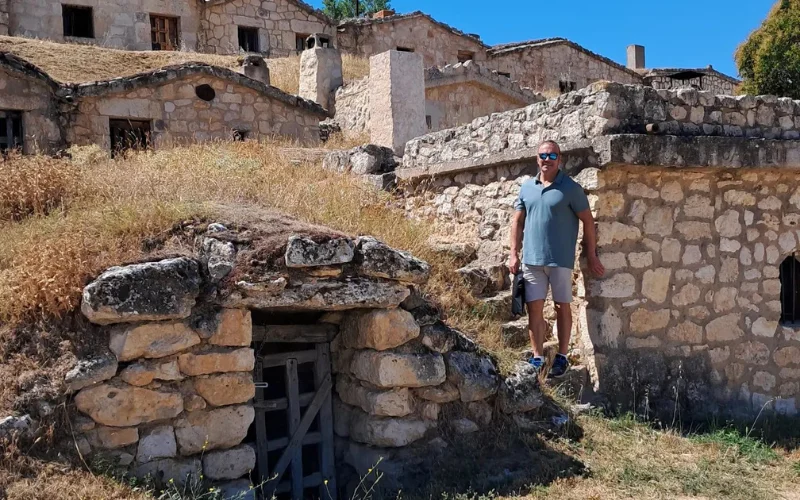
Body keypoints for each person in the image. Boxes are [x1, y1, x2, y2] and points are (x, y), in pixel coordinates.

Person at [508, 140, 605, 378]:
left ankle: (561, 357)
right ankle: (537, 357)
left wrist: (590, 254)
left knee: (562, 307)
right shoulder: (527, 188)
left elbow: (588, 221)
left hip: (560, 260)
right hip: (532, 260)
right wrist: (513, 252)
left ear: (560, 160)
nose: (547, 160)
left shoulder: (570, 188)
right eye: (543, 155)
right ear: (536, 158)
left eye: (552, 156)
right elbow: (517, 221)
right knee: (535, 309)